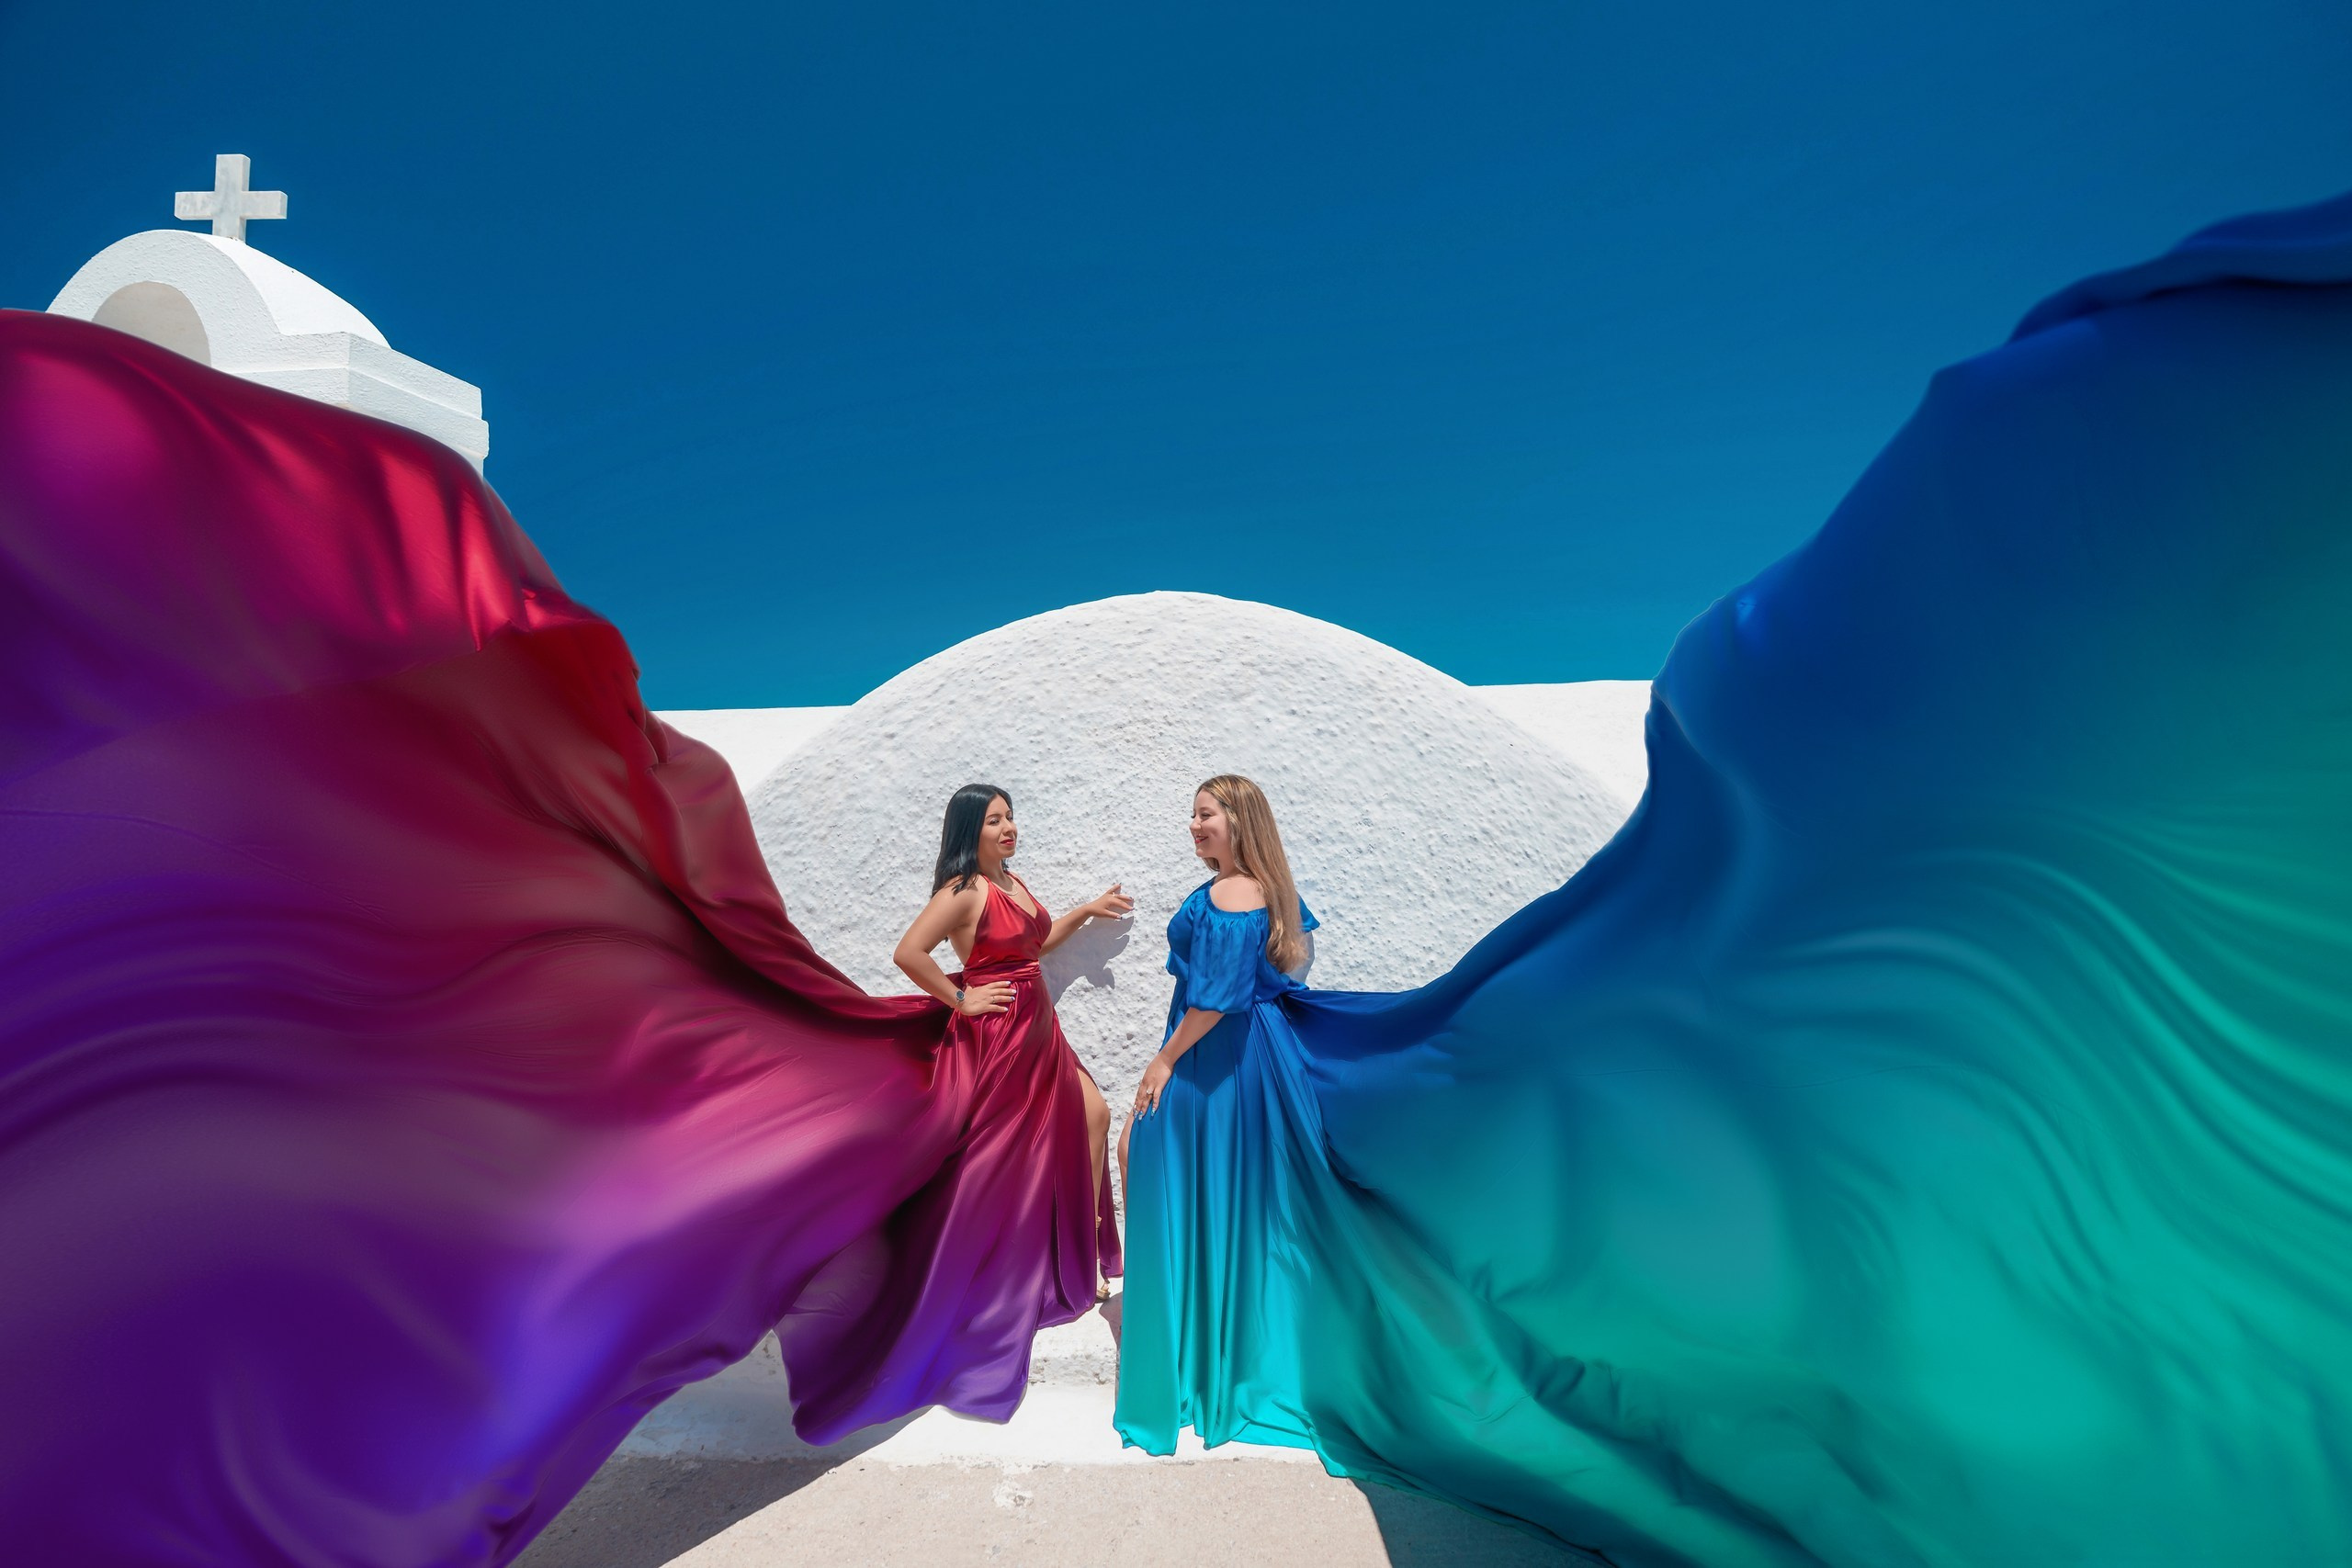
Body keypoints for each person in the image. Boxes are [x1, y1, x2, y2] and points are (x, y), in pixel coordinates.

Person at [1114, 773, 1322, 1452]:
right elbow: (1282, 970)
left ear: (1239, 819)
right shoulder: (1261, 890)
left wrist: (1165, 1059)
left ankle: (1189, 1364)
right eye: (1193, 814)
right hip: (1246, 1060)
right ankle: (1215, 1357)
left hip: (1211, 1061)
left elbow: (1217, 997)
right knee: (1223, 1200)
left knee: (1163, 1172)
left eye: (1205, 813)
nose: (1194, 825)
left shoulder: (1233, 892)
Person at [893, 784, 1132, 1319]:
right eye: (993, 821)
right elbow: (909, 952)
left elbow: (1033, 945)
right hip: (1002, 1032)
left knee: (1093, 1115)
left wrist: (1085, 911)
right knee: (1007, 1151)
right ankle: (1015, 1265)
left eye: (1010, 817)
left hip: (1040, 1025)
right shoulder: (964, 889)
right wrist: (962, 998)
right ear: (968, 831)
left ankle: (1081, 1250)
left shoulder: (1011, 880)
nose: (1008, 828)